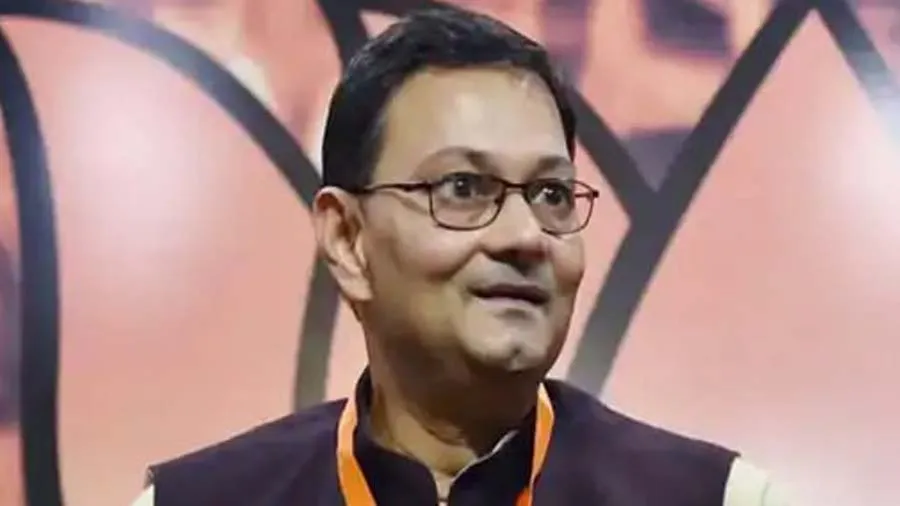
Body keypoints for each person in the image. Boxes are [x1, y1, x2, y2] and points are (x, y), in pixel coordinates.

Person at [132, 6, 788, 505]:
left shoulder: (718, 499)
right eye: (464, 189)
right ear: (347, 239)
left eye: (551, 194)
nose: (524, 237)